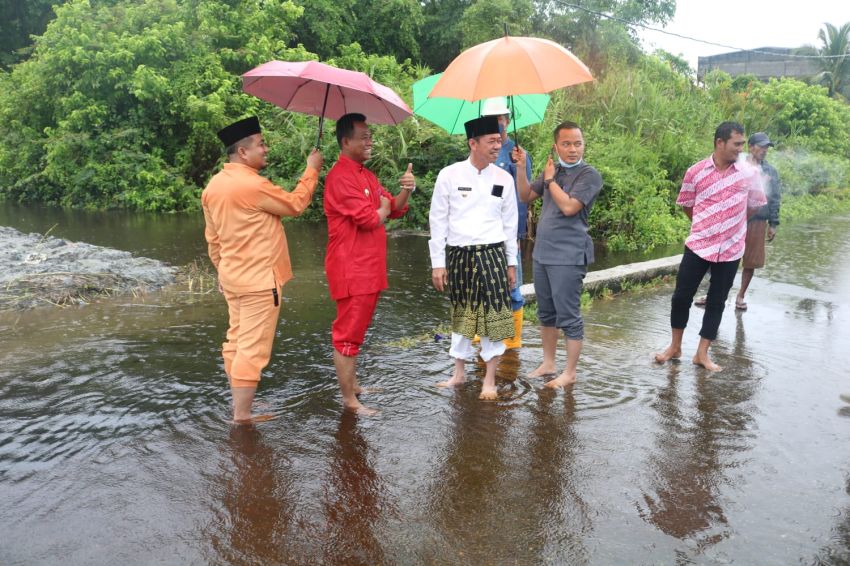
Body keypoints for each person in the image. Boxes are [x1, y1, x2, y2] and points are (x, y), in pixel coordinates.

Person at [202, 116, 323, 423]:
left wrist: (221, 270)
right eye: (261, 144)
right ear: (243, 152)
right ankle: (242, 416)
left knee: (236, 342)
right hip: (258, 282)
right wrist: (313, 169)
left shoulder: (213, 186)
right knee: (252, 351)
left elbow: (212, 238)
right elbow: (295, 204)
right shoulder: (254, 185)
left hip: (232, 278)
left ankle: (239, 405)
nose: (266, 149)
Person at [654, 121, 766, 372]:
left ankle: (702, 353)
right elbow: (686, 204)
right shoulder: (695, 172)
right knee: (681, 297)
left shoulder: (750, 173)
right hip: (698, 245)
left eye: (742, 143)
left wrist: (732, 226)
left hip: (731, 249)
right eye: (736, 144)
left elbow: (756, 204)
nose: (741, 148)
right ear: (719, 142)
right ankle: (675, 347)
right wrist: (706, 225)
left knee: (717, 301)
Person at [324, 113, 415, 416]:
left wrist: (405, 190)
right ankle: (349, 400)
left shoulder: (366, 175)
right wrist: (383, 209)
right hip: (352, 268)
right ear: (345, 141)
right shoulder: (340, 176)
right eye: (363, 136)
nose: (369, 141)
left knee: (357, 331)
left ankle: (354, 386)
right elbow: (367, 219)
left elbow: (394, 208)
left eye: (370, 135)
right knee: (347, 334)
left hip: (369, 267)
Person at [428, 115, 518, 400]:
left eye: (499, 140)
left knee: (494, 315)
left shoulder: (504, 178)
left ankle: (489, 378)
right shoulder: (450, 175)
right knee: (463, 314)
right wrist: (438, 263)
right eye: (491, 141)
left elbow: (510, 224)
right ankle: (459, 373)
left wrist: (511, 262)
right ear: (472, 143)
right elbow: (438, 221)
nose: (497, 146)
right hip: (459, 255)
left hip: (493, 254)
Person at [513, 121, 603, 388]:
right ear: (556, 146)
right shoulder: (555, 170)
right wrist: (521, 167)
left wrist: (550, 180)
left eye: (577, 143)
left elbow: (568, 207)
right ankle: (549, 363)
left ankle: (570, 372)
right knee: (546, 312)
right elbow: (525, 195)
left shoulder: (589, 175)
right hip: (543, 254)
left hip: (569, 255)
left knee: (569, 314)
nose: (573, 149)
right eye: (566, 144)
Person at [694, 132, 782, 311]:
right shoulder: (736, 165)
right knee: (720, 256)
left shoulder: (770, 172)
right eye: (761, 146)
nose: (764, 150)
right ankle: (714, 293)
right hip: (733, 217)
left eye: (767, 148)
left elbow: (775, 198)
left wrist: (773, 223)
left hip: (757, 220)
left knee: (751, 260)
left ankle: (740, 295)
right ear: (751, 147)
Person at [480, 97, 532, 349]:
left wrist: (518, 236)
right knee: (483, 286)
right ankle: (486, 336)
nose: (498, 124)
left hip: (508, 233)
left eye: (501, 119)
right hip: (483, 233)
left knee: (512, 287)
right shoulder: (480, 150)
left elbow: (523, 199)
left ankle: (512, 342)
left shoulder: (518, 153)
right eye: (493, 119)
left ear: (509, 121)